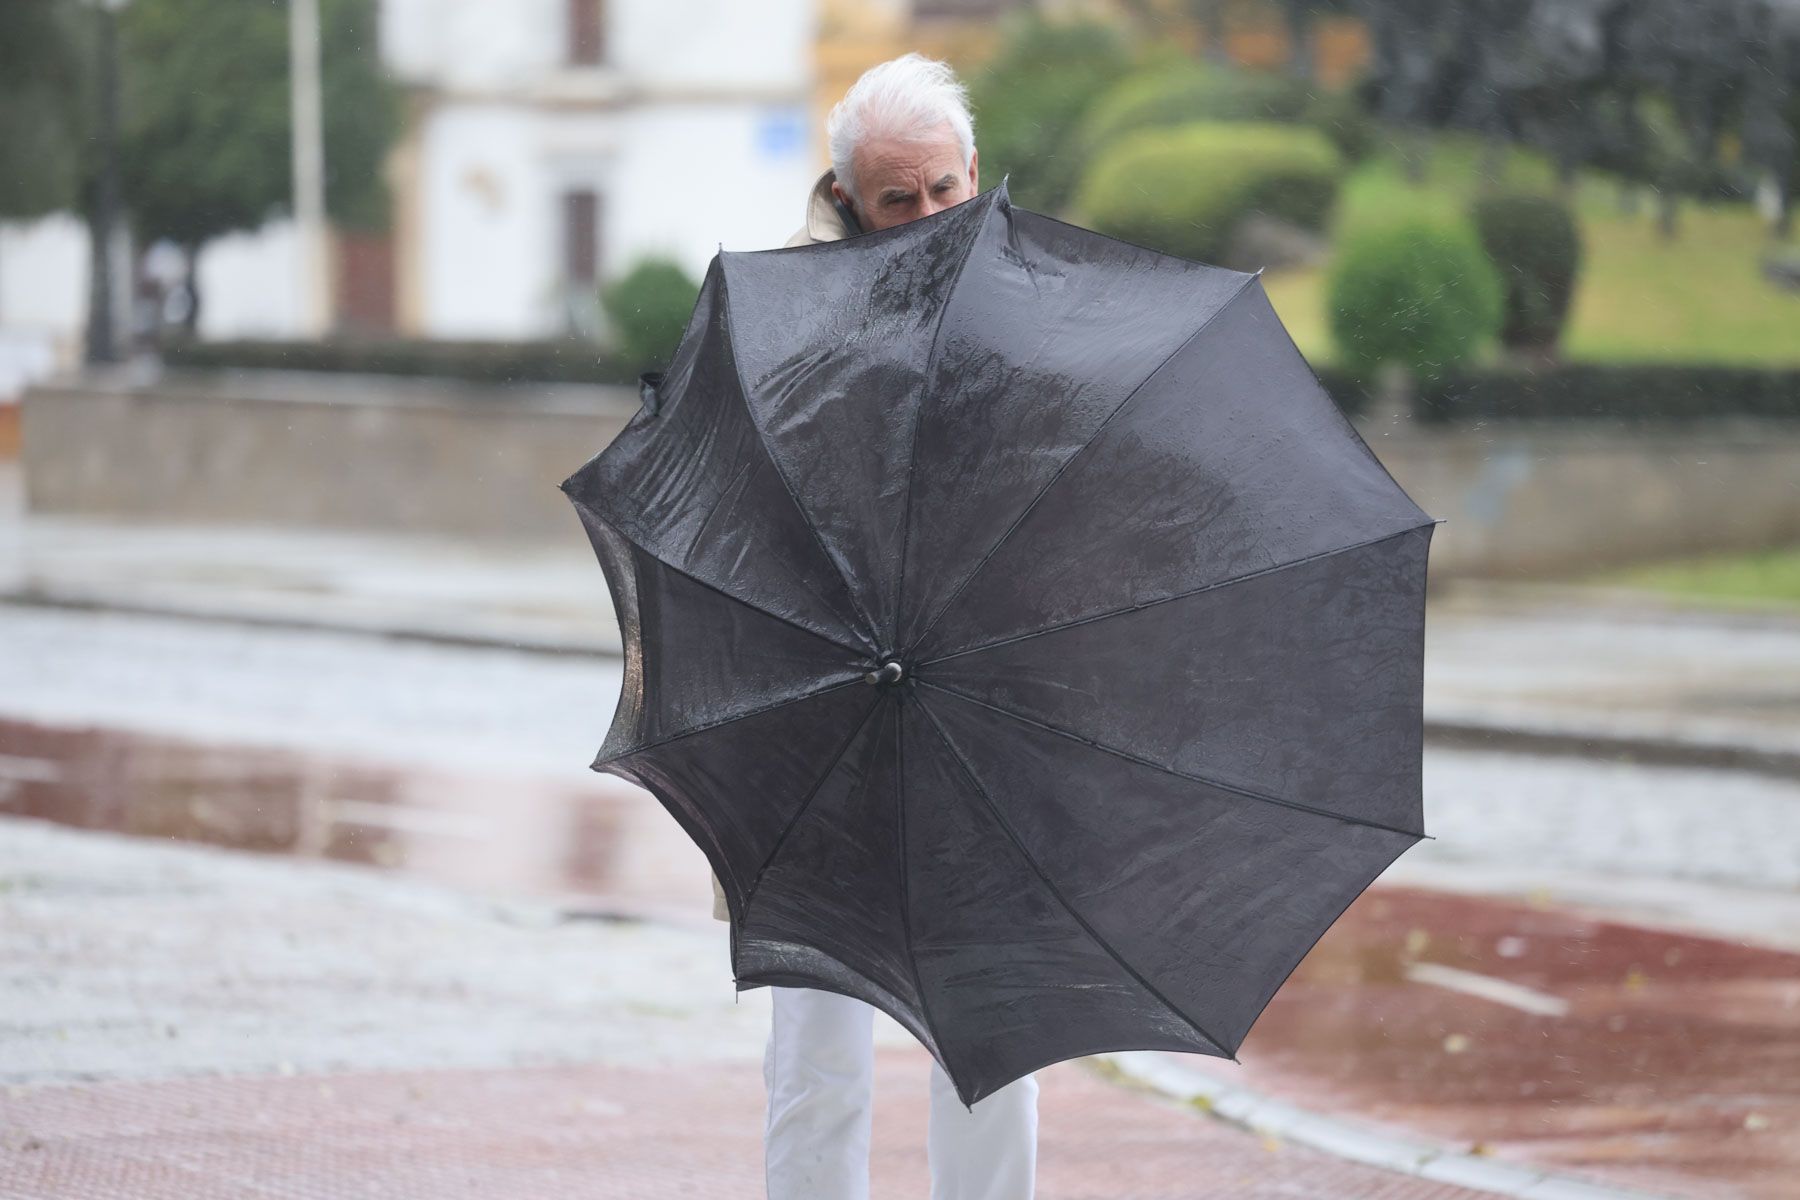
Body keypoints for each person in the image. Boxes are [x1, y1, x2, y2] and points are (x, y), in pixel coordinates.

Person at [708, 52, 1040, 1200]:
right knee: (820, 1057)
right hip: (821, 722)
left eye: (944, 188)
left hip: (983, 709)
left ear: (975, 173)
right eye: (898, 199)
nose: (929, 215)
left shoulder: (1038, 305)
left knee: (993, 1041)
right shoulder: (780, 326)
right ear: (849, 202)